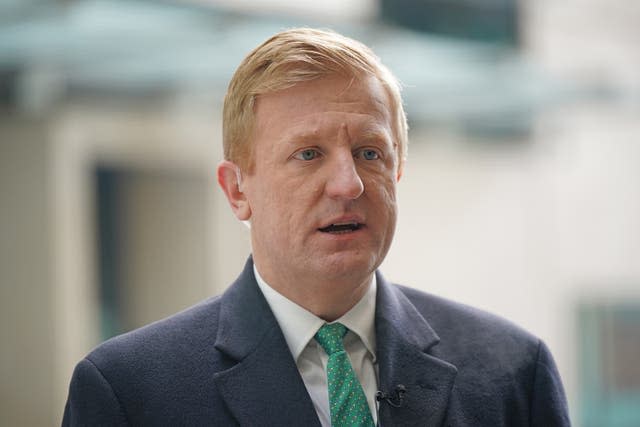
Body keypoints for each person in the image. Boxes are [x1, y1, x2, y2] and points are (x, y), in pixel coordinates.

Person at [62, 28, 570, 426]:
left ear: (397, 170)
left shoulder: (513, 373)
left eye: (370, 152)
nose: (348, 185)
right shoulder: (129, 391)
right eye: (308, 154)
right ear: (237, 190)